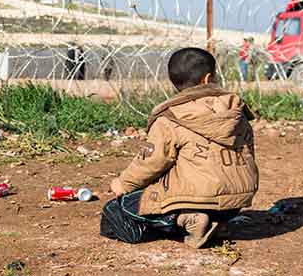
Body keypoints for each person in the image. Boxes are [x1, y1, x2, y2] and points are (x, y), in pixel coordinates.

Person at [100, 48, 259, 248]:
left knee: (122, 206)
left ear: (173, 81)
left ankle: (186, 219)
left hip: (200, 201)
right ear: (209, 78)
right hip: (236, 202)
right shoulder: (237, 111)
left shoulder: (172, 117)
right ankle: (216, 223)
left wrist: (123, 184)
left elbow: (151, 162)